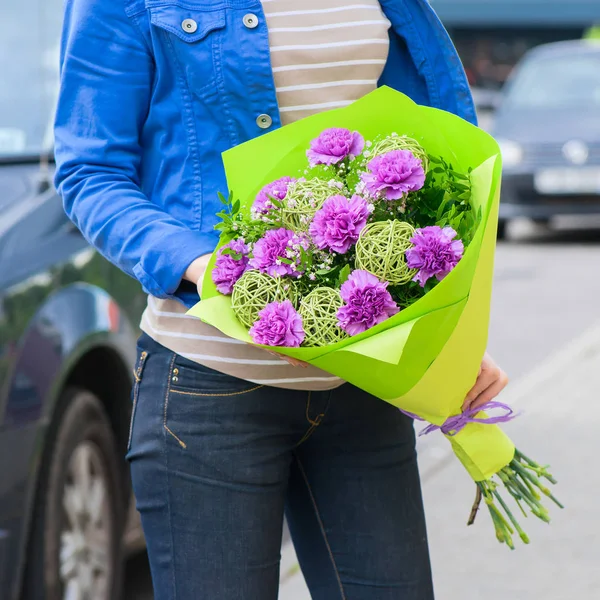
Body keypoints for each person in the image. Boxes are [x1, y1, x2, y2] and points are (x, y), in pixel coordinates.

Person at [54, 1, 508, 598]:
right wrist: (207, 269)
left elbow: (435, 157)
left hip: (364, 385)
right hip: (211, 386)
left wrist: (449, 337)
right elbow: (91, 172)